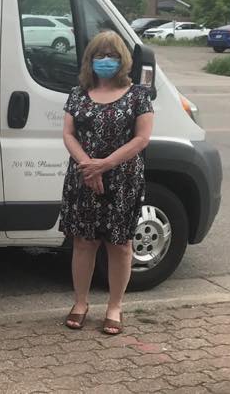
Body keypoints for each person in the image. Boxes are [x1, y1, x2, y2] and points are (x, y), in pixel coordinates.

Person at [59, 30, 154, 336]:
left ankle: (115, 307)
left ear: (123, 59)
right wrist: (90, 166)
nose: (105, 61)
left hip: (123, 179)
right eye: (99, 55)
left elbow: (142, 138)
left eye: (112, 55)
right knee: (84, 242)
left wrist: (106, 164)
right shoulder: (77, 93)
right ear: (90, 60)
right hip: (84, 178)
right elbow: (68, 134)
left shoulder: (139, 95)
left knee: (120, 245)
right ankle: (80, 303)